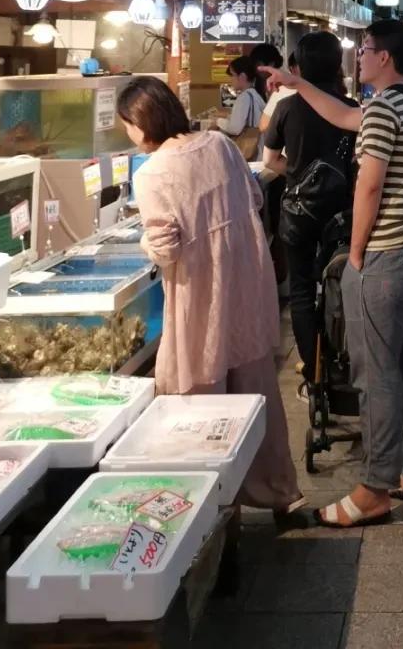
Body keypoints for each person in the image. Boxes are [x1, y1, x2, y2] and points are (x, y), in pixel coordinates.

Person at [118, 78, 302, 512]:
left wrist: (143, 241)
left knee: (198, 399)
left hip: (200, 295)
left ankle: (207, 507)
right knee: (255, 391)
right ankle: (280, 493)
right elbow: (254, 196)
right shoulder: (219, 144)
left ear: (141, 122)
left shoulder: (151, 174)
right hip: (246, 284)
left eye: (126, 123)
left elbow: (165, 249)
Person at [315, 20, 403, 528]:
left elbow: (369, 186)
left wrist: (356, 253)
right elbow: (346, 115)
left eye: (365, 49)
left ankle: (374, 488)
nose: (359, 57)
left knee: (376, 376)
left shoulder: (385, 108)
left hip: (386, 255)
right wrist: (298, 84)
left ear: (384, 57)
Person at [261, 32, 356, 382]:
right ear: (337, 65)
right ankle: (343, 355)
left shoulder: (286, 107)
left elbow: (270, 160)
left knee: (302, 289)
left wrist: (299, 174)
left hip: (299, 212)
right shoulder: (350, 107)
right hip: (342, 212)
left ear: (299, 67)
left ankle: (313, 369)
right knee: (341, 281)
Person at [218, 55, 266, 158]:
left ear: (242, 76)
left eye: (232, 75)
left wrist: (218, 121)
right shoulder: (255, 95)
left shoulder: (245, 97)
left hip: (250, 152)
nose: (231, 79)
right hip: (259, 150)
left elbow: (235, 128)